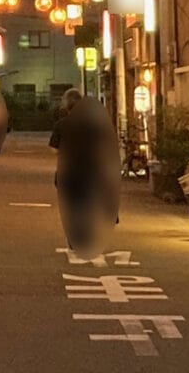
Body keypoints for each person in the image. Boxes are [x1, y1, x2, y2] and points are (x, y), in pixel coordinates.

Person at [49, 90, 119, 254]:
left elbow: (53, 149)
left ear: (66, 107)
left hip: (68, 172)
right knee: (88, 203)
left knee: (71, 206)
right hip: (90, 171)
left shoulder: (62, 125)